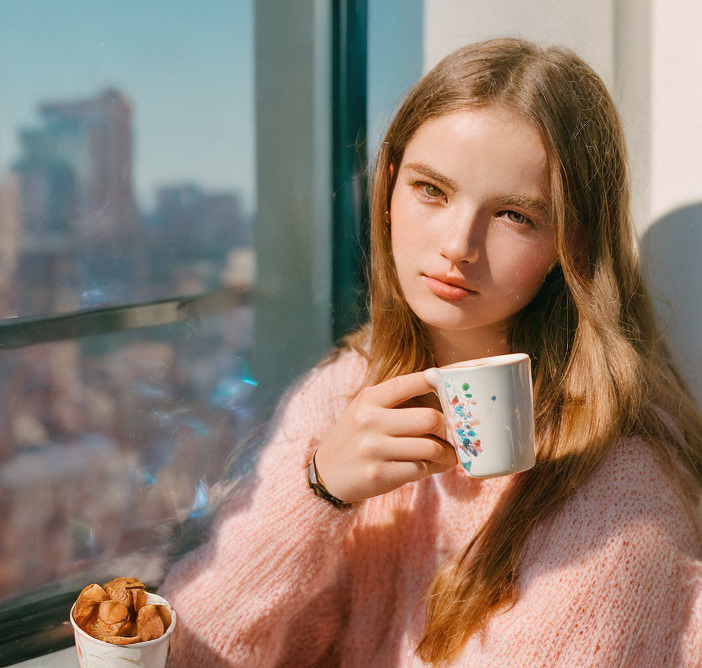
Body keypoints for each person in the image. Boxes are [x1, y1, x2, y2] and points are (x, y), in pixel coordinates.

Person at [159, 38, 702, 666]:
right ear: (389, 188)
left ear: (570, 243)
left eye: (514, 216)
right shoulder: (347, 394)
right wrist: (318, 492)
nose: (457, 244)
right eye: (432, 190)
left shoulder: (617, 485)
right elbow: (185, 653)